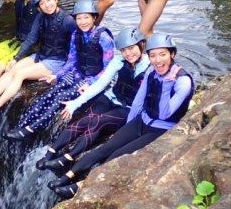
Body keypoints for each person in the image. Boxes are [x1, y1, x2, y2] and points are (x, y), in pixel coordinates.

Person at [47, 33, 195, 200]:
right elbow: (139, 100)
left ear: (172, 54)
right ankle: (67, 176)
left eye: (163, 54)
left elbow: (164, 113)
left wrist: (167, 85)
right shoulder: (152, 72)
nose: (157, 60)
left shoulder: (182, 81)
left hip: (160, 129)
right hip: (141, 121)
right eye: (153, 55)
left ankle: (80, 186)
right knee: (107, 147)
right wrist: (128, 127)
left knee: (117, 156)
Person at [36, 27, 150, 170]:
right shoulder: (119, 60)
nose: (128, 53)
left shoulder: (150, 67)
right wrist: (75, 104)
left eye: (131, 48)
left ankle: (68, 157)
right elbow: (100, 84)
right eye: (124, 50)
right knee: (85, 118)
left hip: (127, 108)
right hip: (111, 97)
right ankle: (50, 153)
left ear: (141, 45)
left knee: (98, 121)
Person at [4, 0, 115, 140]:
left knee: (59, 99)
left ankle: (32, 128)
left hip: (93, 79)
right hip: (77, 73)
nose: (83, 21)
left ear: (94, 17)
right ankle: (22, 125)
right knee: (49, 94)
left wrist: (91, 83)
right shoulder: (76, 34)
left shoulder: (104, 38)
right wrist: (57, 75)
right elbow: (72, 60)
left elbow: (109, 68)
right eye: (79, 18)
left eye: (86, 17)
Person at [0, 0, 77, 117]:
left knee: (20, 74)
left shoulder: (68, 21)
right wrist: (16, 58)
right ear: (39, 7)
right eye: (42, 3)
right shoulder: (40, 17)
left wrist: (61, 74)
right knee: (12, 69)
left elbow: (77, 48)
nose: (47, 5)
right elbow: (30, 40)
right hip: (41, 54)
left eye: (49, 0)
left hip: (56, 61)